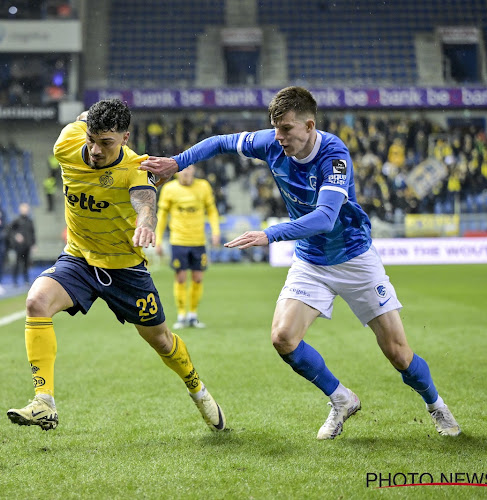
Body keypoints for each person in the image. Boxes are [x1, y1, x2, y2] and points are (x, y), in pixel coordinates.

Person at [140, 86, 460, 439]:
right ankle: (341, 398)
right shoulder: (271, 143)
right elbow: (219, 142)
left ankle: (436, 405)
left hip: (354, 258)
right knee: (282, 337)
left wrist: (269, 234)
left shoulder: (334, 155)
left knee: (398, 353)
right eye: (275, 128)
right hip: (311, 260)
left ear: (309, 126)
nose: (279, 138)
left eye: (287, 129)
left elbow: (325, 218)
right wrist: (176, 163)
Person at [6, 99, 226, 432]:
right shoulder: (67, 142)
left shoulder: (137, 167)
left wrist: (146, 222)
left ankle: (197, 388)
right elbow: (82, 121)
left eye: (106, 142)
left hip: (126, 268)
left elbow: (145, 200)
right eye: (92, 139)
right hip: (79, 258)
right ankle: (44, 402)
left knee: (162, 341)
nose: (95, 149)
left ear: (125, 138)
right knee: (36, 301)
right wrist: (87, 122)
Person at [155, 165, 221, 329]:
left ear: (194, 170)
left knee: (198, 278)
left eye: (189, 168)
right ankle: (181, 316)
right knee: (181, 278)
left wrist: (215, 232)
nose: (185, 172)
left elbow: (211, 210)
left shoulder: (203, 186)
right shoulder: (169, 189)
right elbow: (162, 216)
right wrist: (157, 240)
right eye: (182, 169)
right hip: (178, 240)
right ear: (177, 172)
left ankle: (193, 315)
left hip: (198, 241)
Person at [7, 202, 36, 287]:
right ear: (20, 209)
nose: (25, 210)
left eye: (26, 208)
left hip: (27, 246)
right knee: (17, 263)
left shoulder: (30, 221)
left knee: (26, 264)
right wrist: (16, 236)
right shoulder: (16, 220)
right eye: (23, 208)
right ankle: (15, 281)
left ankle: (26, 280)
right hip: (18, 247)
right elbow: (9, 230)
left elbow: (32, 233)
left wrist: (33, 244)